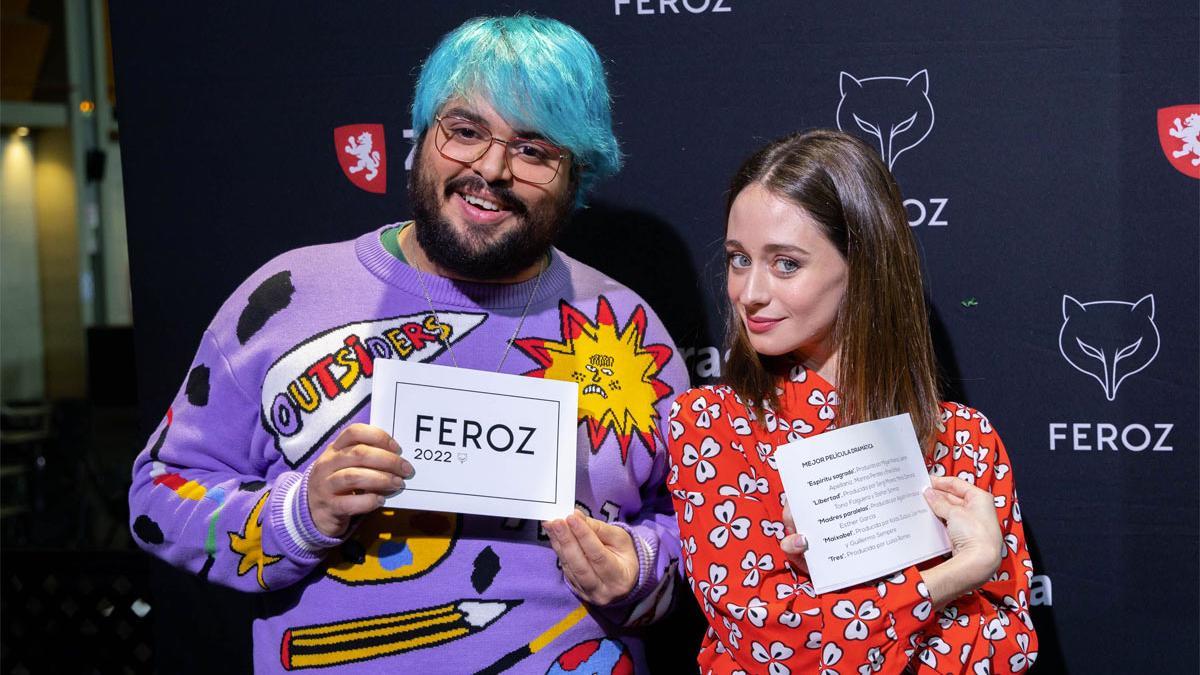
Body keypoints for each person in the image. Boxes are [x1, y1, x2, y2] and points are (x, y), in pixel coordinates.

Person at [129, 16, 688, 673]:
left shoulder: (625, 324)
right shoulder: (287, 296)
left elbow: (697, 527)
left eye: (535, 150)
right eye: (465, 131)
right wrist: (298, 516)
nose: (492, 168)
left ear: (577, 175)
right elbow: (158, 497)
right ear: (422, 137)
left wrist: (641, 570)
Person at [666, 129, 1038, 674]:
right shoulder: (711, 423)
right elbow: (771, 644)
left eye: (786, 263)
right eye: (739, 259)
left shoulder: (965, 438)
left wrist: (831, 602)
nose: (749, 292)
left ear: (862, 267)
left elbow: (1010, 649)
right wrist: (958, 573)